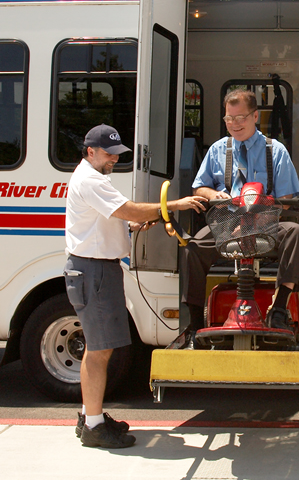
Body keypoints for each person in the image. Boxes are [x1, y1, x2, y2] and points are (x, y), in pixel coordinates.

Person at [64, 124, 206, 448]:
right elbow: (127, 209)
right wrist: (175, 205)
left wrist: (133, 222)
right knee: (99, 351)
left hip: (96, 269)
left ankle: (90, 417)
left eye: (117, 154)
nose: (114, 159)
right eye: (109, 153)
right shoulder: (90, 180)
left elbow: (116, 217)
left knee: (97, 348)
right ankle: (94, 427)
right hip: (94, 272)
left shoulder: (93, 177)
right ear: (90, 151)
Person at [182, 90, 299, 341]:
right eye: (229, 118)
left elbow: (286, 200)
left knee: (295, 233)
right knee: (192, 247)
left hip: (267, 223)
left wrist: (253, 222)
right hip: (227, 223)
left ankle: (279, 309)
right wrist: (212, 194)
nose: (234, 124)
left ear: (255, 116)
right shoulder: (217, 149)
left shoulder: (276, 151)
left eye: (240, 118)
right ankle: (194, 322)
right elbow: (199, 188)